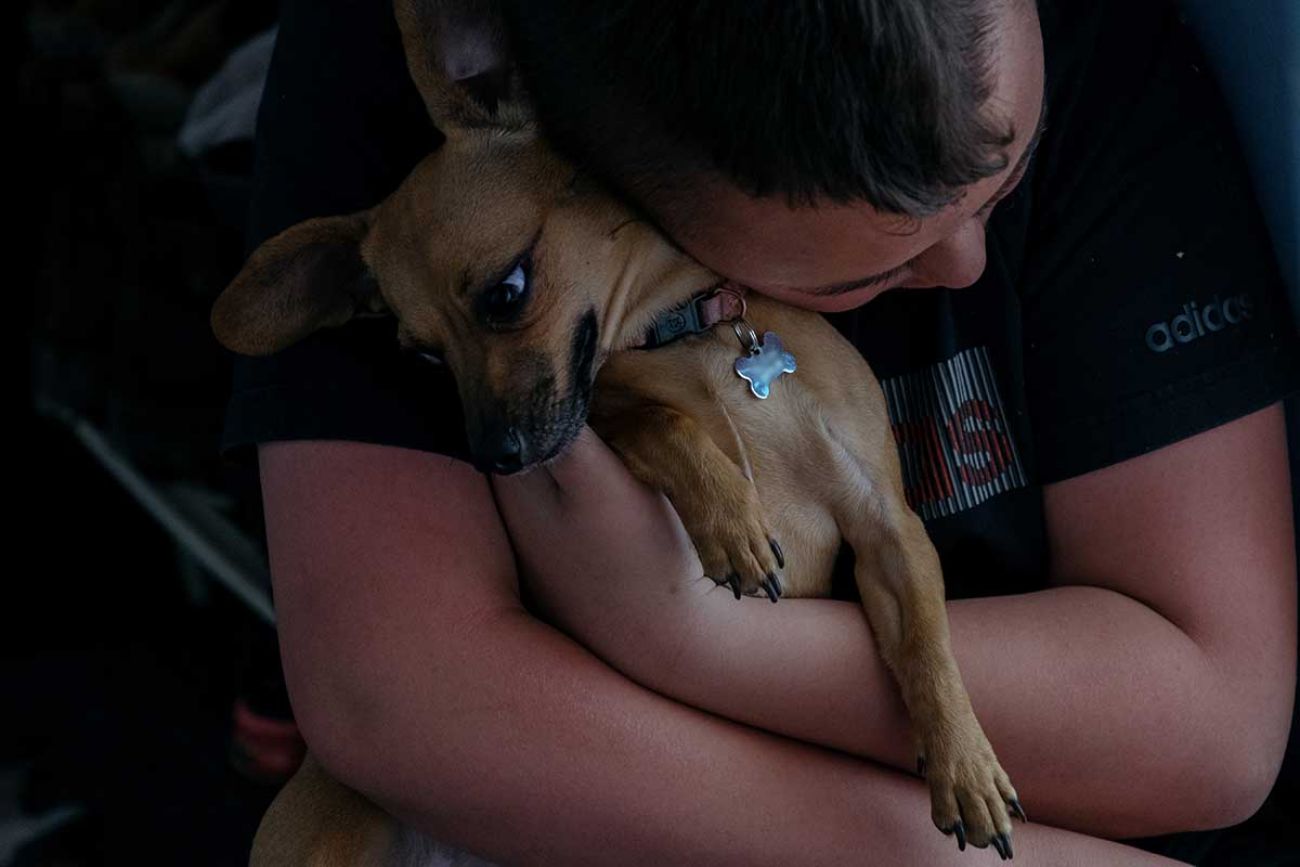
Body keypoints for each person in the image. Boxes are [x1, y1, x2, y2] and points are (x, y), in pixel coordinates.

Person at [220, 0, 1299, 863]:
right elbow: (399, 697)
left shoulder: (1106, 50)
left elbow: (1211, 732)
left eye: (1004, 181)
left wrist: (688, 636)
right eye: (864, 271)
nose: (965, 265)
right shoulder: (460, 149)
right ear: (621, 189)